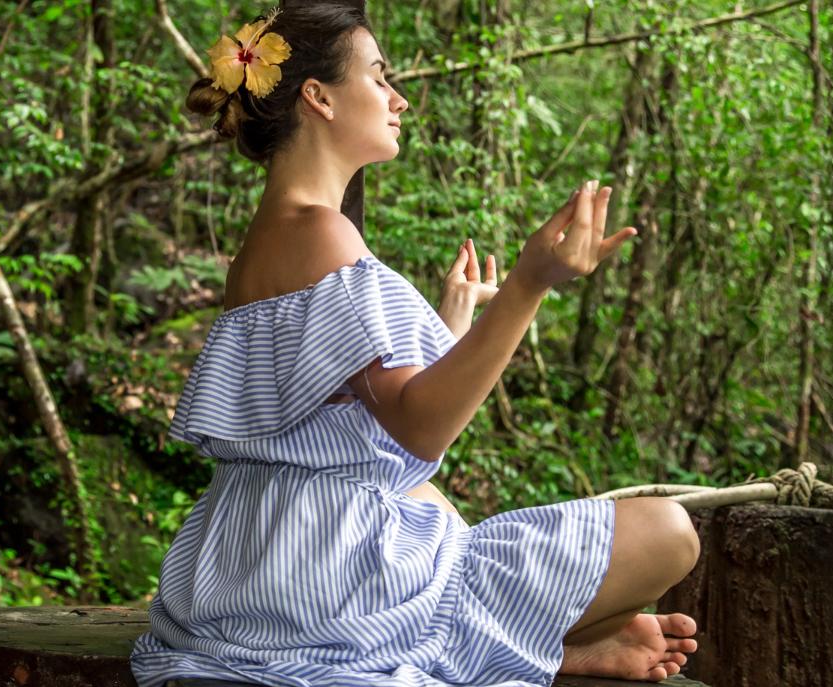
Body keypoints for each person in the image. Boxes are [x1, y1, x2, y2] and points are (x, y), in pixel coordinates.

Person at [129, 5, 702, 687]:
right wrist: (529, 282)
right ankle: (527, 643)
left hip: (253, 565)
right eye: (378, 77)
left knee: (427, 500)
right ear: (317, 97)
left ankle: (553, 646)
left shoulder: (269, 238)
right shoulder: (323, 233)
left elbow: (363, 429)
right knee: (669, 531)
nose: (398, 98)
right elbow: (420, 427)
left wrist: (452, 319)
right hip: (326, 588)